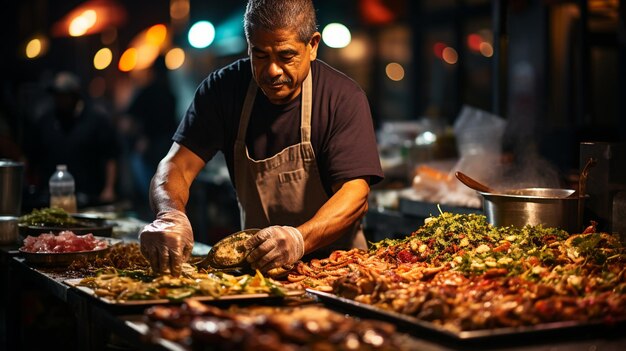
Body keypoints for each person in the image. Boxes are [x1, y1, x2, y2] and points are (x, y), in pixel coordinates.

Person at [140, 0, 384, 276]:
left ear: (313, 45)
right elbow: (176, 165)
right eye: (260, 55)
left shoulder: (342, 98)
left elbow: (355, 194)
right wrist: (169, 215)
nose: (272, 71)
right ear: (248, 45)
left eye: (286, 56)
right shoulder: (222, 91)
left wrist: (298, 239)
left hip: (339, 270)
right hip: (258, 274)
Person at [24, 71, 121, 208]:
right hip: (51, 197)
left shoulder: (96, 120)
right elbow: (31, 155)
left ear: (75, 94)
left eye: (64, 95)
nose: (59, 99)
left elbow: (111, 156)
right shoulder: (45, 121)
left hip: (88, 196)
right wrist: (29, 187)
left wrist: (109, 188)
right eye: (56, 94)